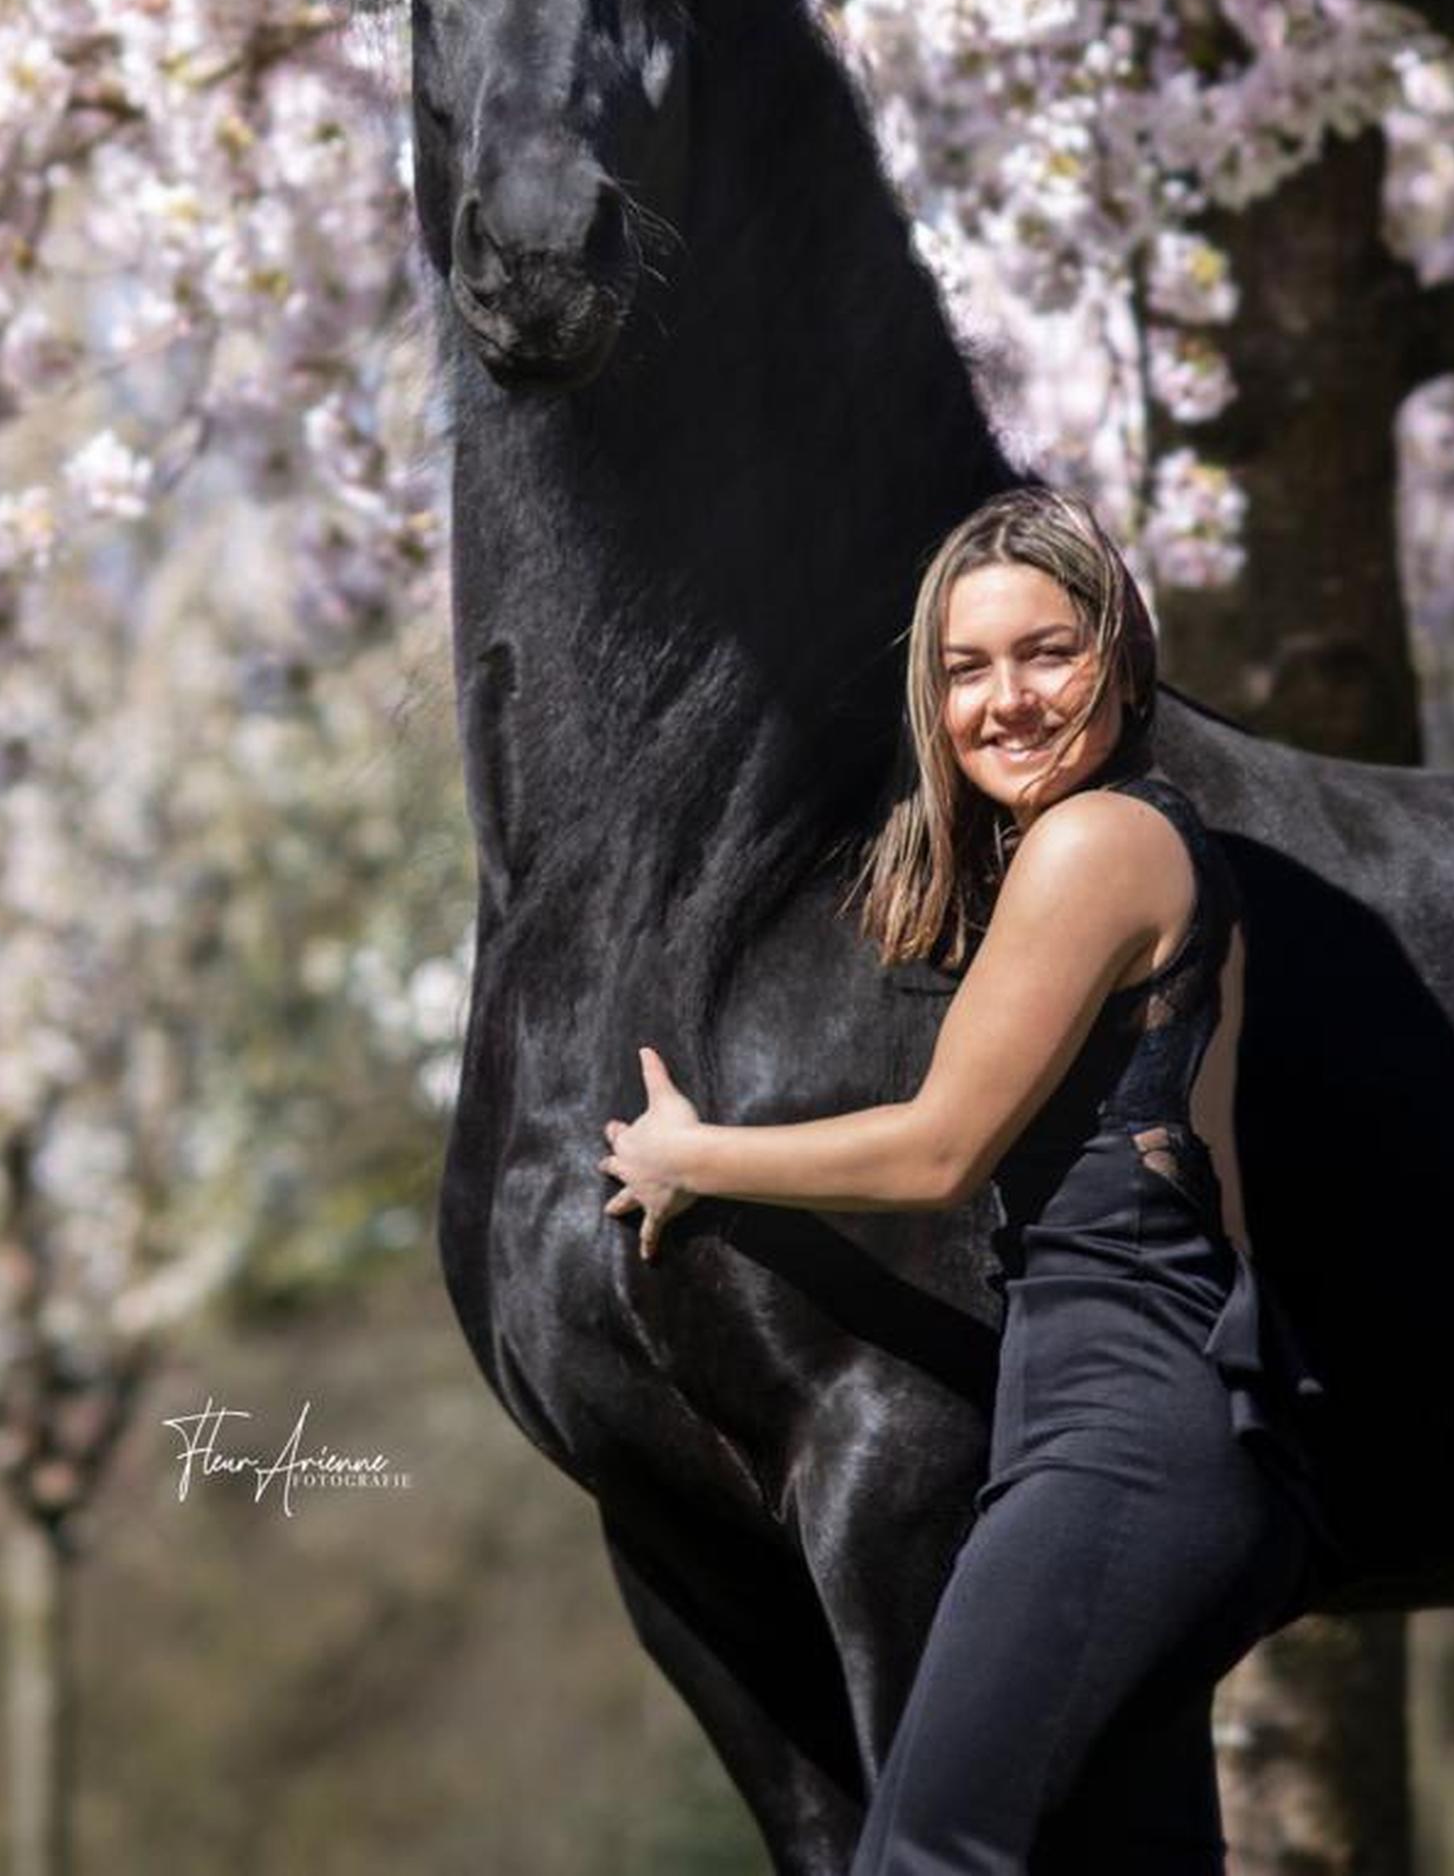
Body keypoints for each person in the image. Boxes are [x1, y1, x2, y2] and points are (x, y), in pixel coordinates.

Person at [598, 482, 1331, 1873]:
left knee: (931, 1853)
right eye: (965, 668)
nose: (1007, 700)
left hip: (1126, 1437)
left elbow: (941, 1148)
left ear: (1119, 654)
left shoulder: (1097, 843)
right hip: (1163, 1429)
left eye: (1047, 652)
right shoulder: (1147, 841)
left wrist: (694, 1157)